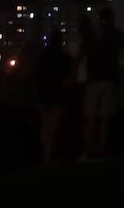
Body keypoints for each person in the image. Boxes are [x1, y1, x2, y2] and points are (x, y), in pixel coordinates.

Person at [82, 8, 124, 159]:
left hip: (92, 80)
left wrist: (72, 76)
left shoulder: (91, 34)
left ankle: (89, 148)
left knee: (91, 117)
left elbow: (80, 55)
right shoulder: (117, 34)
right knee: (106, 118)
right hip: (110, 79)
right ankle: (102, 148)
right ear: (111, 18)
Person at [35, 29, 73, 164]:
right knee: (56, 129)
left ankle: (48, 156)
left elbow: (38, 79)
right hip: (59, 99)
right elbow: (69, 79)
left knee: (47, 130)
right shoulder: (66, 58)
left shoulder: (43, 58)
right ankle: (53, 157)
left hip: (46, 98)